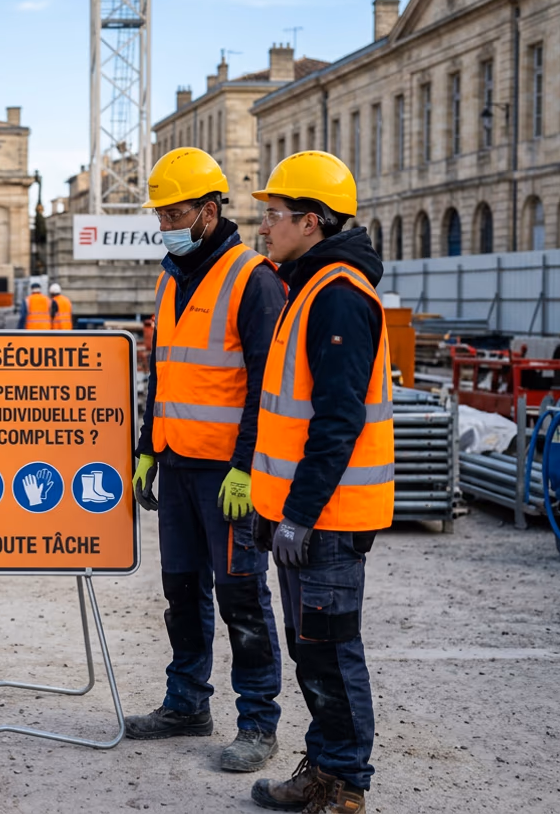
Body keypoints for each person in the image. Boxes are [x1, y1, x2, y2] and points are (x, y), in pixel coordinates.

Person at [125, 147, 287, 773]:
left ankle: (258, 722)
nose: (164, 224)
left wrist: (247, 466)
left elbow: (267, 384)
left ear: (210, 211)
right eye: (160, 214)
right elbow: (163, 374)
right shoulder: (171, 277)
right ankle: (187, 702)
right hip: (178, 465)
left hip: (227, 474)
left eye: (174, 213)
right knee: (182, 591)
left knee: (241, 595)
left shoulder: (253, 278)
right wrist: (147, 449)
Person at [246, 151, 393, 813]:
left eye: (274, 214)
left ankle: (345, 785)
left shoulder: (337, 295)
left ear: (311, 221)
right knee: (313, 653)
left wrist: (300, 513)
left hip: (328, 520)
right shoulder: (308, 287)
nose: (264, 226)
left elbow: (338, 419)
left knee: (331, 654)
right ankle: (326, 767)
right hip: (306, 517)